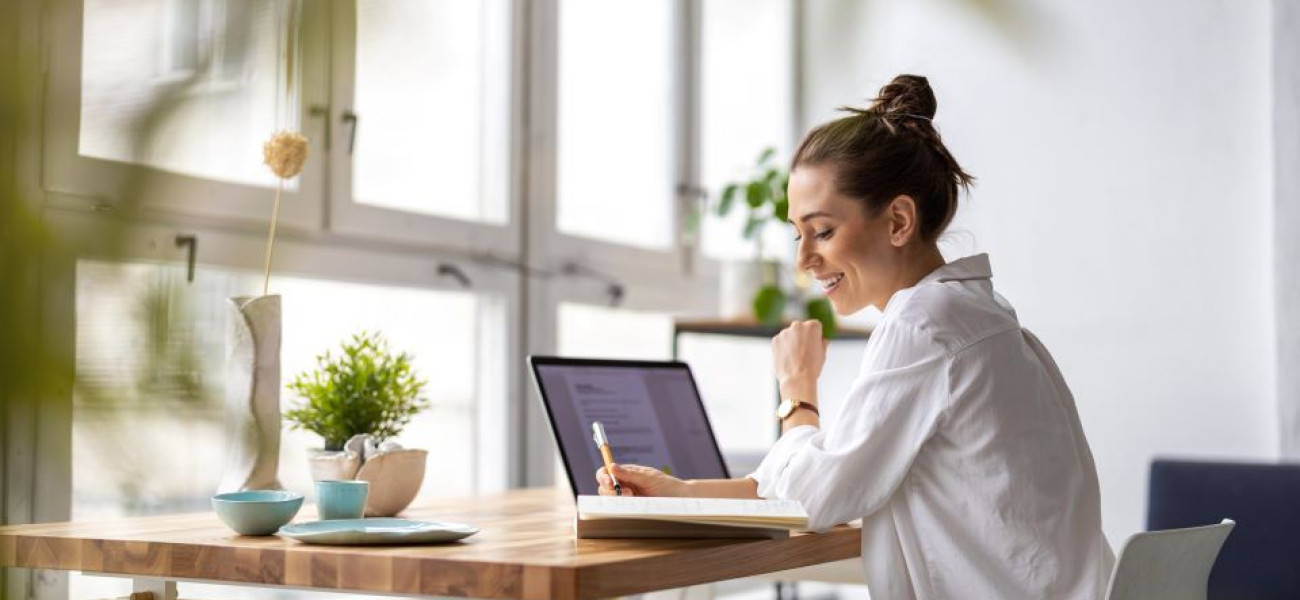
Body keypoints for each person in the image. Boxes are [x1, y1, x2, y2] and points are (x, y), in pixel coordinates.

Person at [596, 75, 1114, 600]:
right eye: (798, 234)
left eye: (822, 231)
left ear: (897, 220)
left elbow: (814, 498)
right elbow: (828, 470)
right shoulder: (979, 316)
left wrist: (796, 389)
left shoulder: (923, 325)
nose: (803, 259)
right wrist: (683, 495)